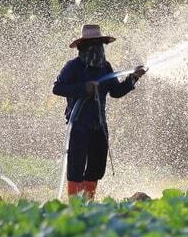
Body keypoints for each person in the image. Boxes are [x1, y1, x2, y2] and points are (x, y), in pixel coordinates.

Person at [53, 24, 146, 199]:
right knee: (76, 168)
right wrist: (83, 88)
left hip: (99, 124)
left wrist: (133, 78)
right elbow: (57, 89)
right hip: (79, 124)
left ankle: (89, 202)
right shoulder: (73, 67)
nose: (97, 48)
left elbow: (116, 92)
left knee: (96, 166)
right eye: (93, 44)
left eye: (99, 44)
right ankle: (75, 205)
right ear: (83, 47)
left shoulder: (106, 67)